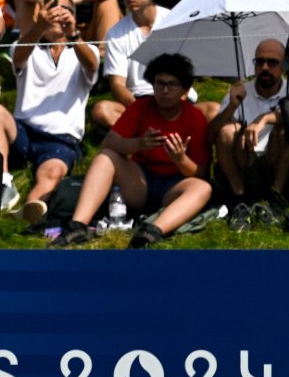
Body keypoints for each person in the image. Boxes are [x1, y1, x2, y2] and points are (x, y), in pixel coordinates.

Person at [51, 52, 212, 248]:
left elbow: (201, 173)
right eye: (159, 84)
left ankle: (153, 231)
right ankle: (78, 225)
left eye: (172, 84)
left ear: (185, 90)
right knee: (105, 158)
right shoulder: (141, 107)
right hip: (140, 181)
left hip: (175, 186)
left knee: (203, 188)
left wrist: (180, 159)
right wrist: (139, 144)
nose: (165, 90)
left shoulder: (195, 117)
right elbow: (109, 143)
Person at [0, 0, 96, 220]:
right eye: (51, 8)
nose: (56, 14)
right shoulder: (25, 45)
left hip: (60, 138)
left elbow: (92, 65)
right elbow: (19, 56)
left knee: (52, 174)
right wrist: (39, 27)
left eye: (63, 10)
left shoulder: (86, 49)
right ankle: (4, 183)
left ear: (73, 17)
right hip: (23, 132)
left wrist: (73, 34)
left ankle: (28, 210)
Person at [94, 0, 212, 128]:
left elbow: (187, 73)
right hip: (140, 100)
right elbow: (117, 84)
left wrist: (176, 103)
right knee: (102, 110)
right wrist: (142, 110)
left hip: (177, 96)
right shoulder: (116, 33)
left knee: (214, 110)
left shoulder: (174, 21)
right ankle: (147, 137)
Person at [208, 38, 289, 203]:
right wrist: (231, 107)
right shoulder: (242, 90)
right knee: (226, 131)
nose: (264, 68)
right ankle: (240, 197)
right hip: (246, 160)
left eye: (272, 62)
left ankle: (276, 196)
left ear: (284, 66)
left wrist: (264, 119)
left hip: (280, 159)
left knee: (286, 129)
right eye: (259, 62)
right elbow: (210, 137)